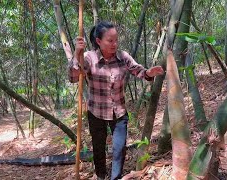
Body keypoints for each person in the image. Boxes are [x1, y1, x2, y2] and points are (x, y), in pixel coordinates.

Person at [68, 21, 164, 180]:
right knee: (98, 148)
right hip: (96, 112)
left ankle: (116, 177)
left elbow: (137, 70)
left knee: (119, 148)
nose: (114, 44)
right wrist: (76, 53)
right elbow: (73, 77)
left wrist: (149, 72)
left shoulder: (123, 56)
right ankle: (100, 175)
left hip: (119, 112)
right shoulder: (89, 57)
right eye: (110, 41)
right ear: (99, 41)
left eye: (116, 40)